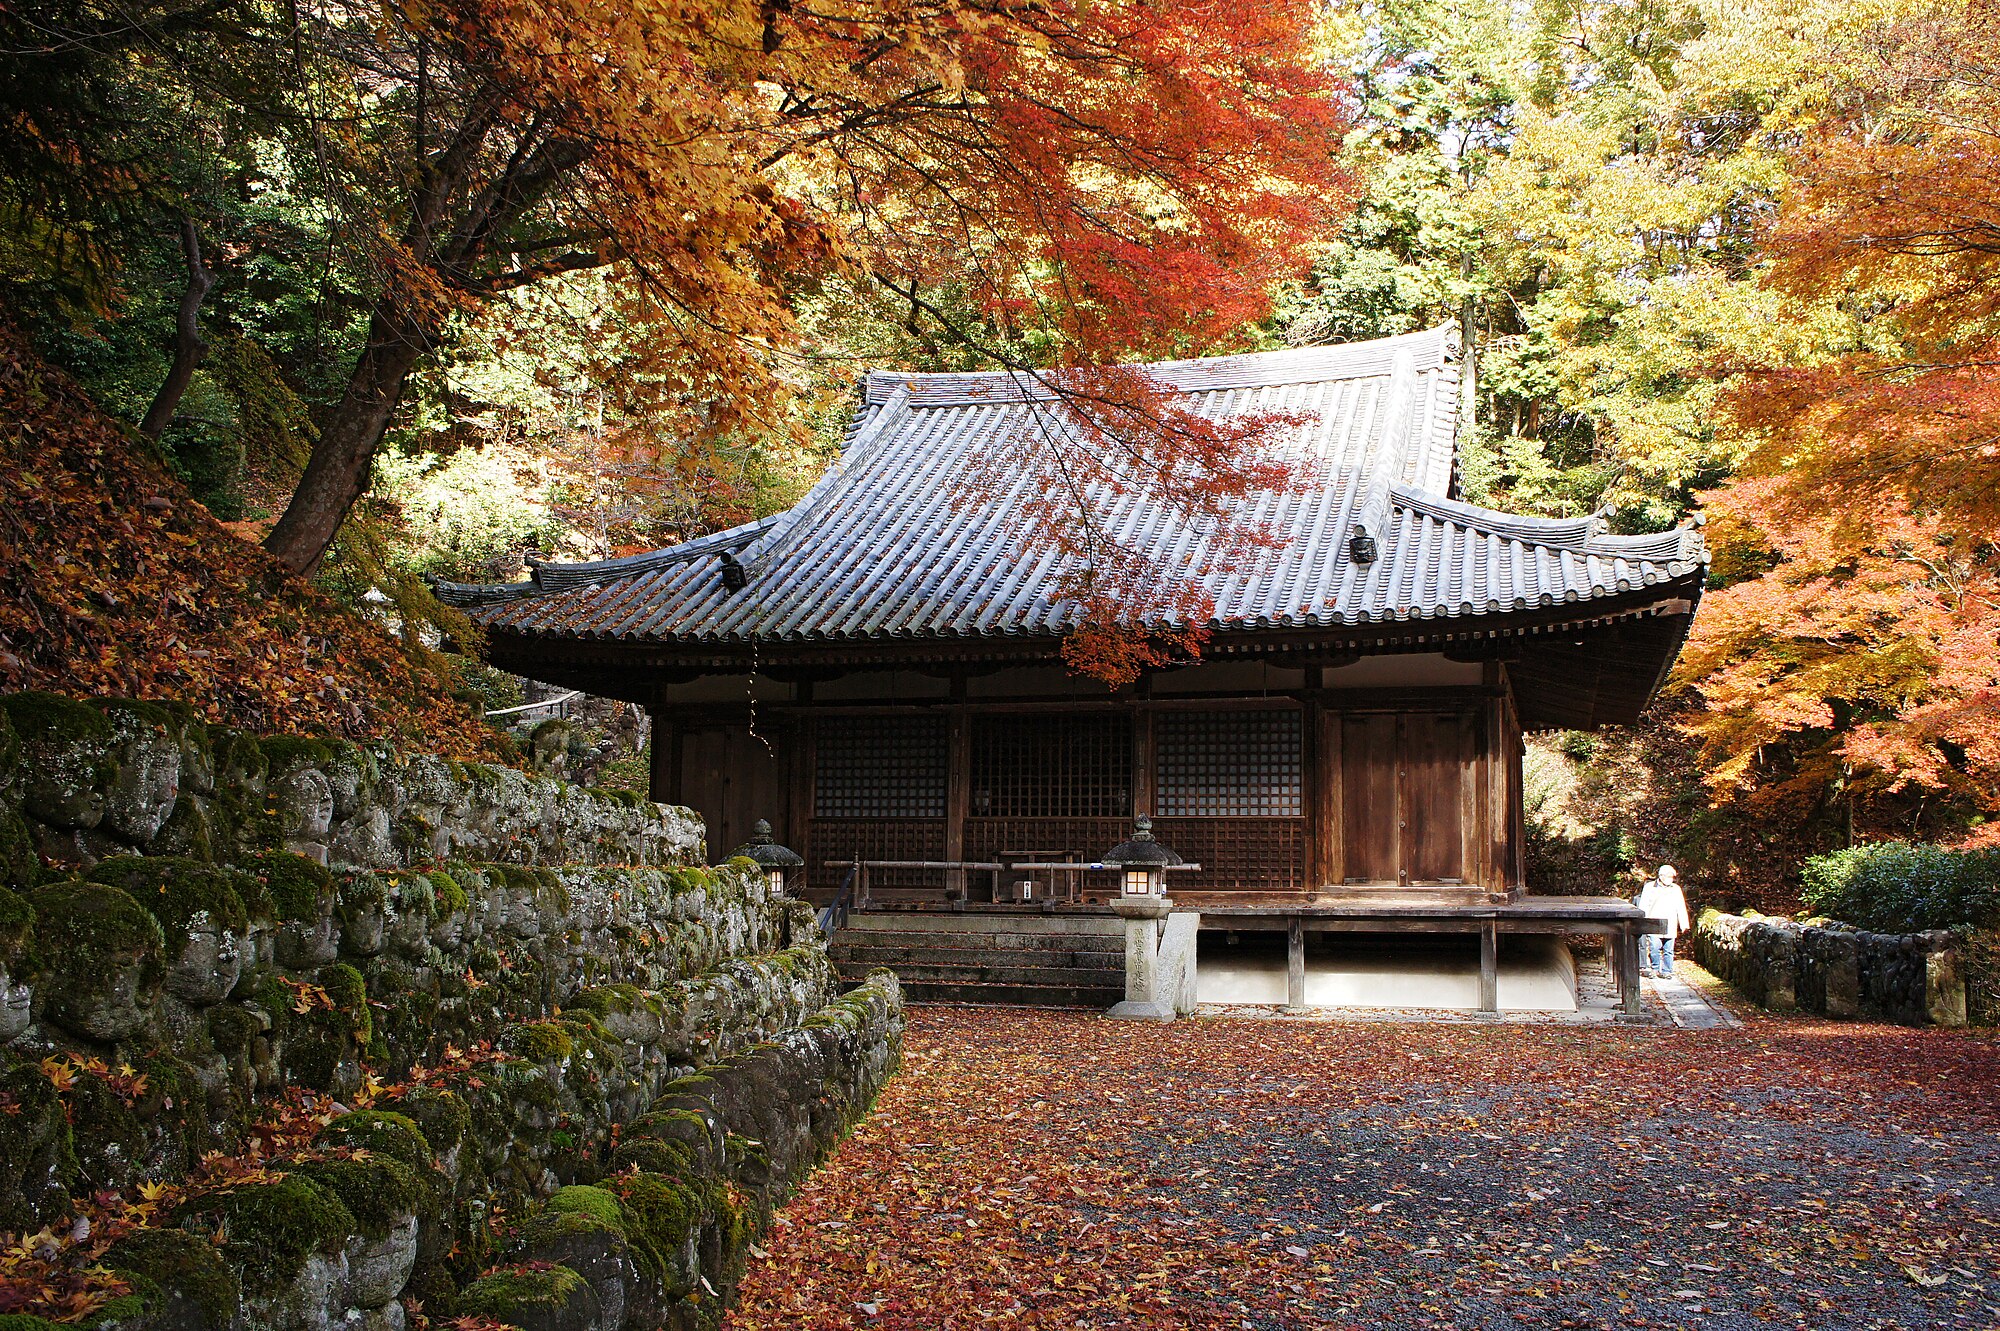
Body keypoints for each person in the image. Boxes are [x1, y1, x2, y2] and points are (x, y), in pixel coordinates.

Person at [1635, 864, 1691, 979]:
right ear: (1661, 876)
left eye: (1672, 877)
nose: (1671, 879)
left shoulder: (1676, 889)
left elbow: (1680, 906)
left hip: (1670, 922)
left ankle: (1667, 970)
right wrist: (1642, 921)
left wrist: (1684, 923)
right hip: (1654, 922)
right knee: (1654, 947)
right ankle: (1655, 968)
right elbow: (1644, 904)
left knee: (1668, 949)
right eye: (1668, 876)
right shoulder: (1650, 887)